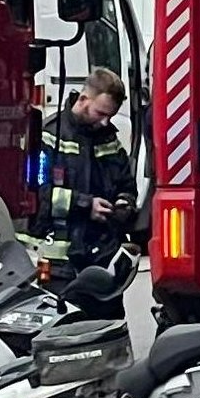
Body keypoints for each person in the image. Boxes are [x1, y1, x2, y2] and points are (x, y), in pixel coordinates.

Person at [33, 70, 137, 283]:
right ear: (82, 100)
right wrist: (86, 205)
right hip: (60, 265)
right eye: (100, 113)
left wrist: (123, 203)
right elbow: (37, 192)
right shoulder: (48, 136)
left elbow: (127, 185)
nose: (106, 122)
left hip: (103, 258)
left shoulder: (110, 141)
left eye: (111, 116)